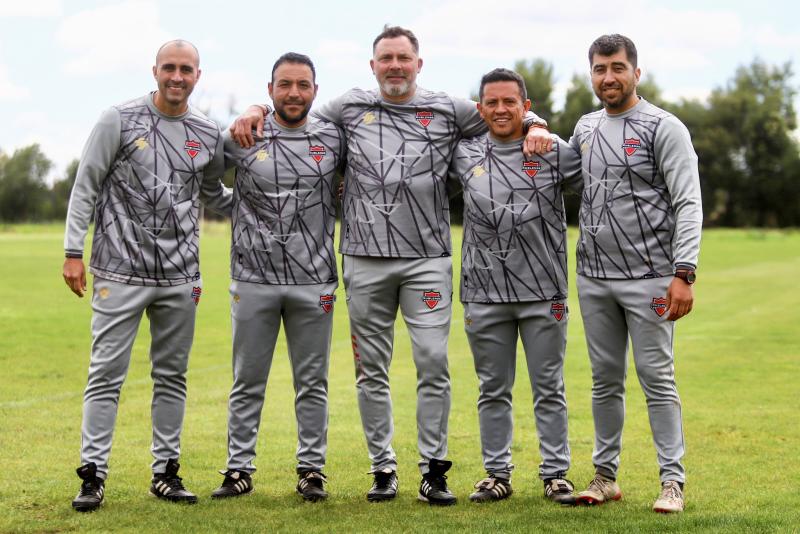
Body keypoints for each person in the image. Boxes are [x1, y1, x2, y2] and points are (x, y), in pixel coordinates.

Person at [231, 25, 552, 506]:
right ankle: (383, 469)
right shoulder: (348, 107)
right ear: (373, 65)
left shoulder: (448, 108)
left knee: (432, 362)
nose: (395, 65)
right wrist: (256, 108)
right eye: (386, 58)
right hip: (363, 258)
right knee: (371, 371)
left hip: (427, 260)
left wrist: (537, 124)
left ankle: (433, 471)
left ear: (418, 64)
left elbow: (501, 113)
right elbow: (293, 116)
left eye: (404, 57)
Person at [63, 39, 231, 512]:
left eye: (186, 69)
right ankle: (92, 475)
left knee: (172, 376)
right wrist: (72, 251)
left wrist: (272, 206)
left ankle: (166, 473)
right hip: (119, 270)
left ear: (198, 75)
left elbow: (214, 193)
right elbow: (85, 185)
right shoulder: (117, 118)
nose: (177, 77)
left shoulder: (207, 132)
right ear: (154, 71)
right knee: (106, 376)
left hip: (180, 274)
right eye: (169, 68)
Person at [569, 34, 702, 513]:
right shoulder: (584, 128)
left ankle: (672, 483)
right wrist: (533, 124)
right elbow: (556, 172)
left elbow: (688, 201)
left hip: (650, 276)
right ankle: (605, 477)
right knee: (604, 380)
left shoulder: (664, 127)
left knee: (656, 379)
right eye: (601, 68)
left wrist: (684, 272)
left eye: (618, 67)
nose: (609, 77)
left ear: (635, 73)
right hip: (594, 277)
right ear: (592, 74)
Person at [210, 53, 345, 503]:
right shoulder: (245, 133)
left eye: (302, 85)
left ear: (315, 91)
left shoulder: (333, 136)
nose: (293, 93)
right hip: (252, 278)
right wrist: (243, 212)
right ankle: (238, 469)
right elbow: (209, 183)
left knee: (313, 382)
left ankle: (311, 470)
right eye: (284, 85)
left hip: (315, 279)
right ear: (269, 91)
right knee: (247, 380)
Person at [449, 68, 581, 504]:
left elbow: (595, 183)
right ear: (480, 107)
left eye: (511, 102)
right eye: (493, 102)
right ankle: (497, 474)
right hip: (484, 291)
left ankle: (556, 474)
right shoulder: (463, 153)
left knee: (550, 387)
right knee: (492, 389)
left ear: (525, 106)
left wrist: (539, 126)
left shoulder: (552, 150)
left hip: (544, 290)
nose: (501, 109)